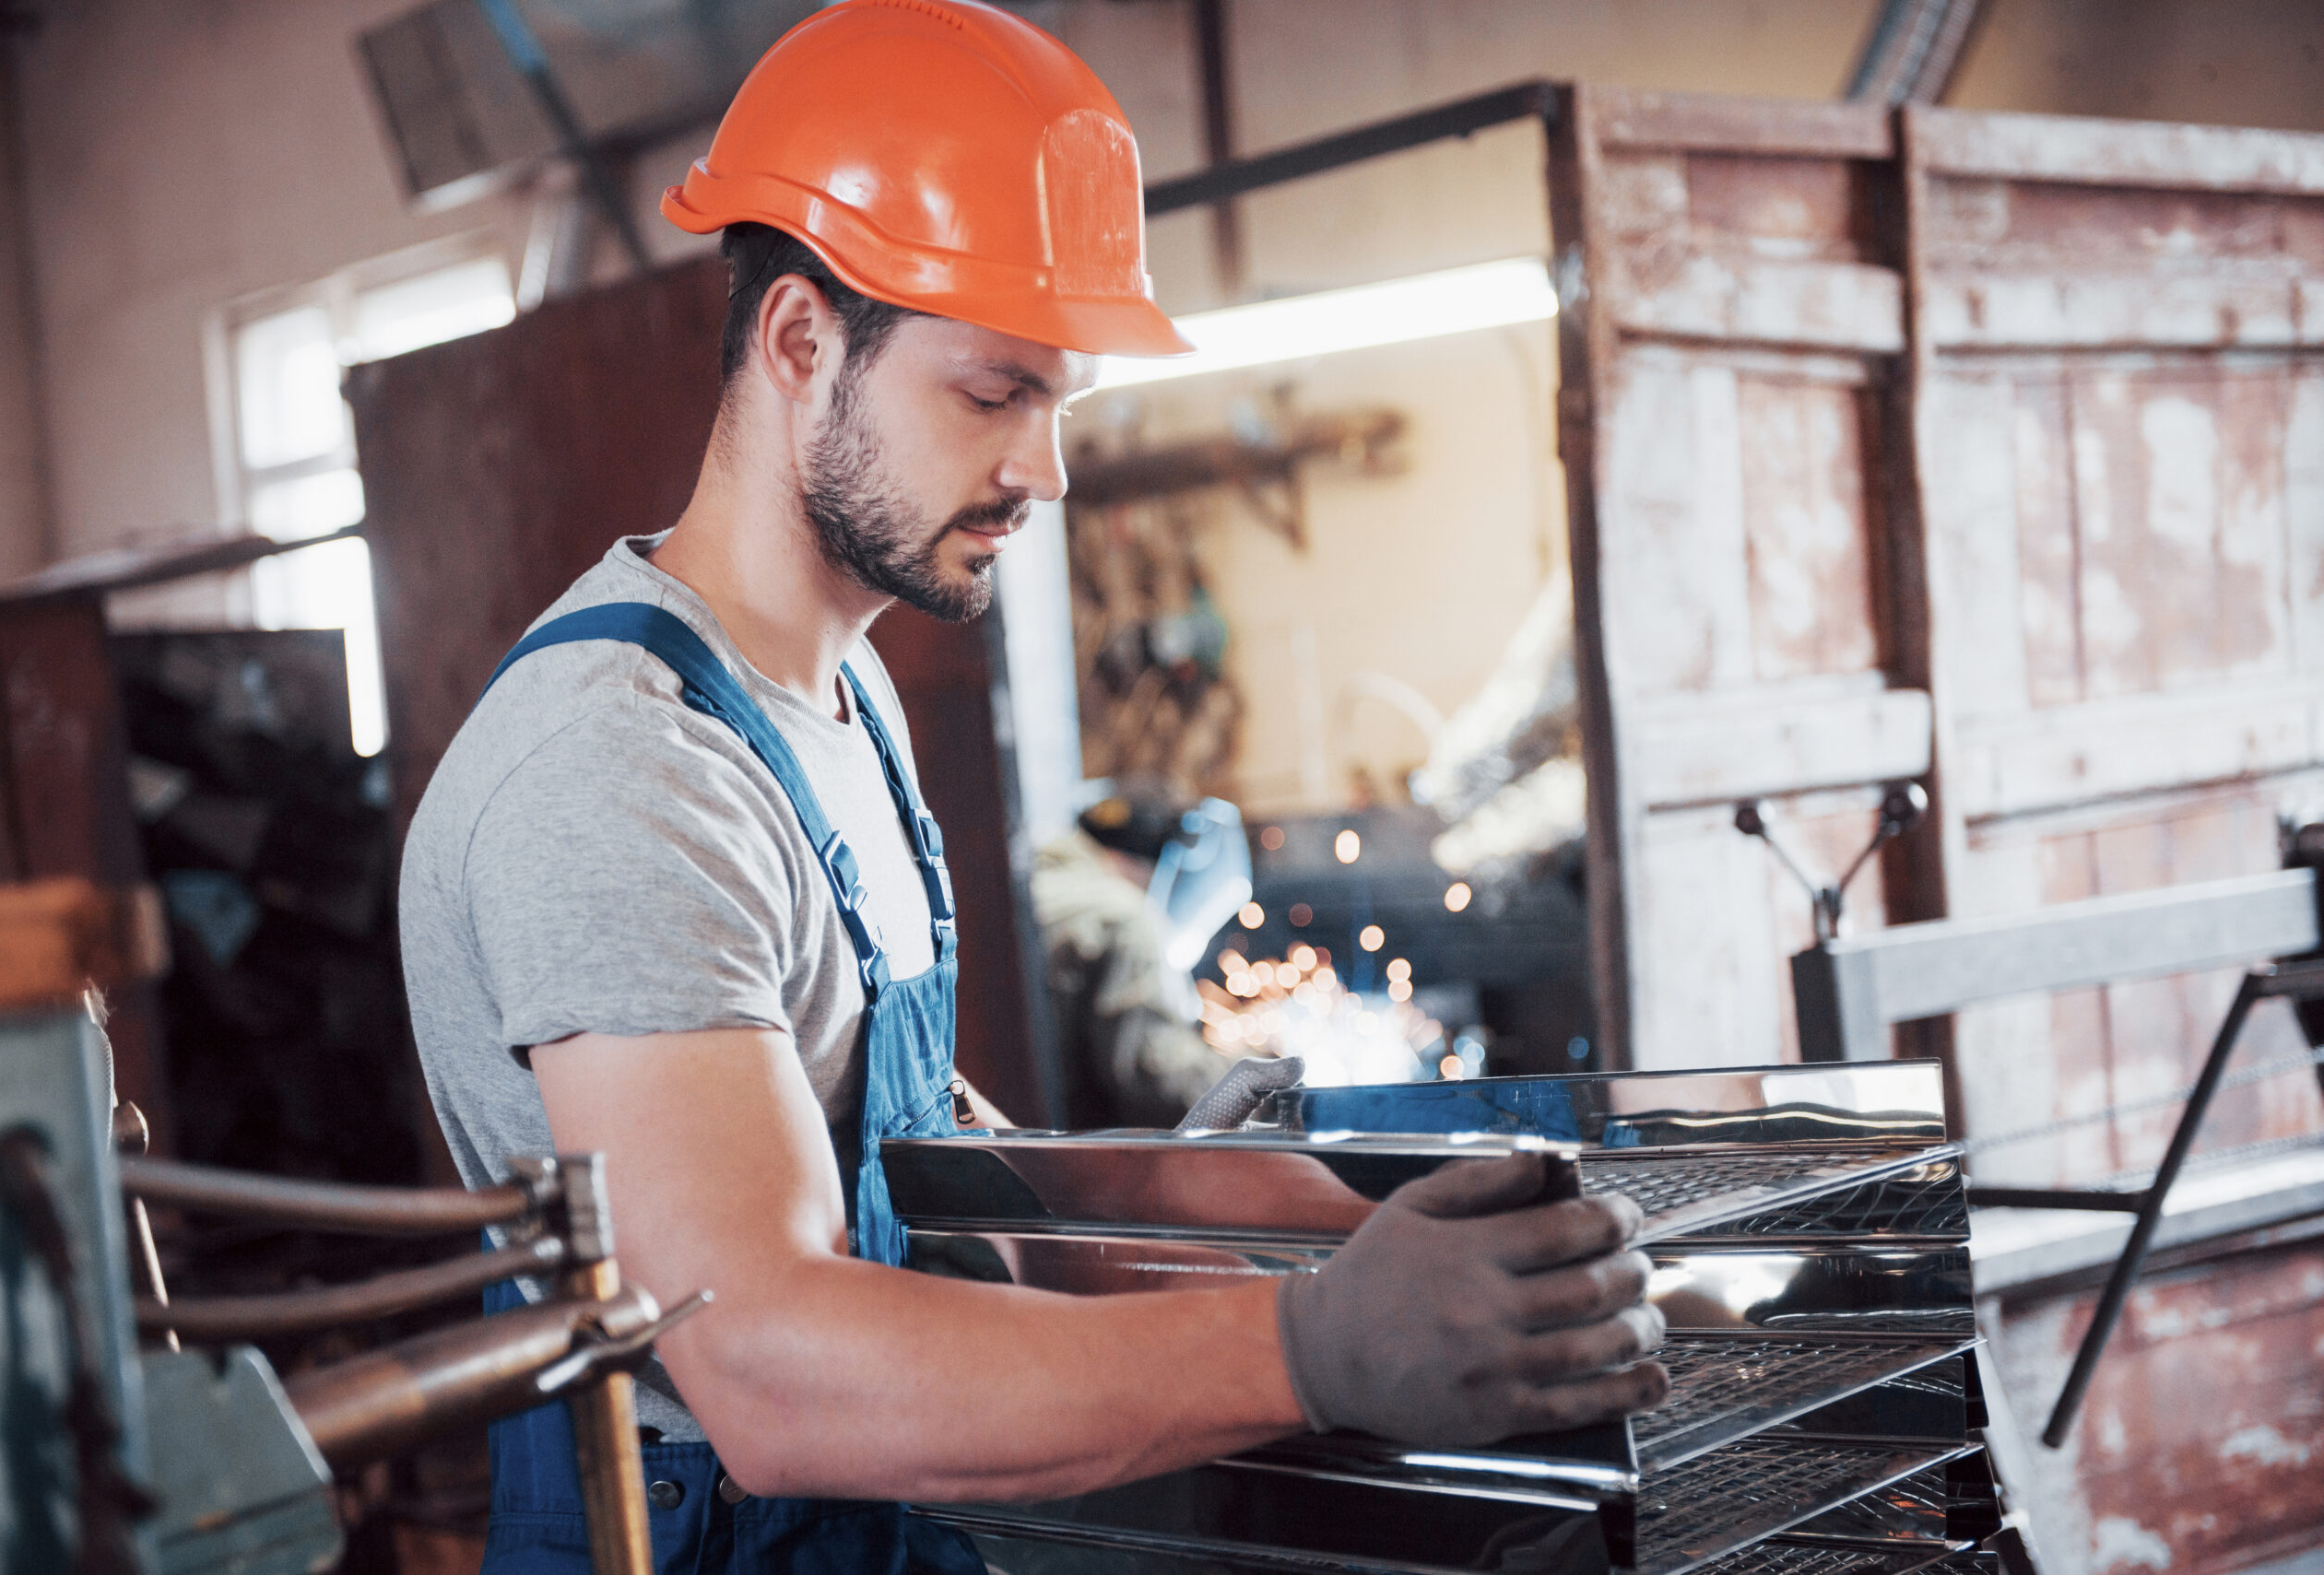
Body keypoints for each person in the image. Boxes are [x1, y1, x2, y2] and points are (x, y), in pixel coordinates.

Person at [397, 4, 1668, 1571]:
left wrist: (1252, 1202)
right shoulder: (623, 767)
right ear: (800, 343)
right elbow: (769, 1363)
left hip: (891, 1519)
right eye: (993, 393)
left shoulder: (846, 695)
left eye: (1058, 401)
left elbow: (892, 1133)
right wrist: (1308, 1341)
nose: (1044, 470)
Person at [1034, 784, 1243, 1127]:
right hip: (1063, 1159)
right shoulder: (1123, 918)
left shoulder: (1034, 883)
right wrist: (1250, 1077)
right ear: (1158, 862)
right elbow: (1160, 1087)